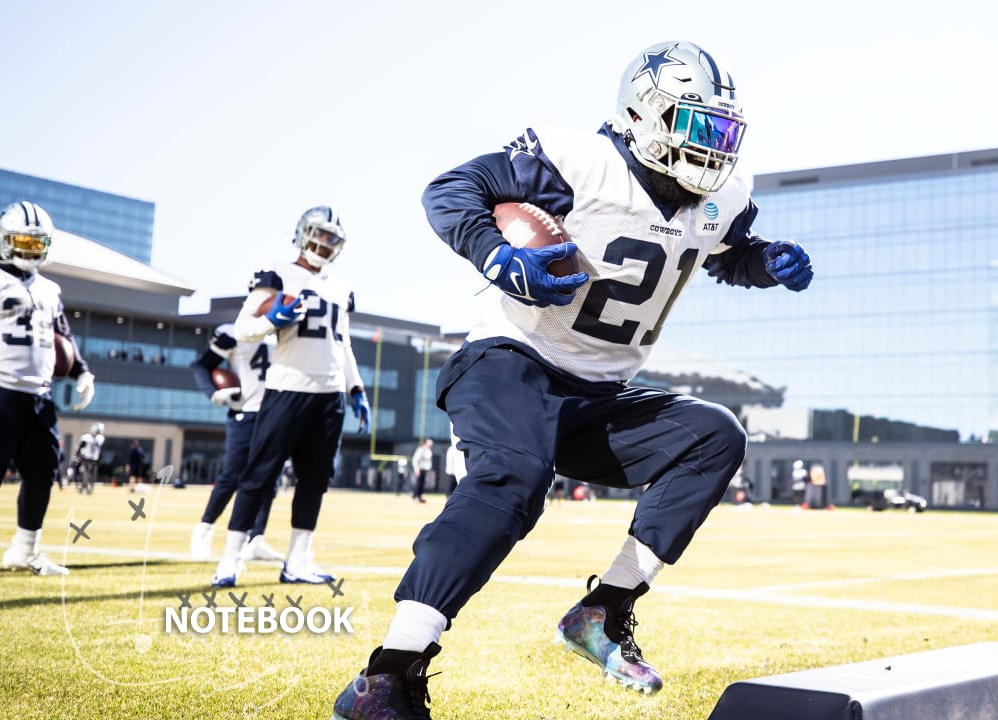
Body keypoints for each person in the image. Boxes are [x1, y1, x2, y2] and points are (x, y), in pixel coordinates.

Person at [330, 40, 813, 719]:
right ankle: (386, 676)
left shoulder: (723, 199)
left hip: (599, 394)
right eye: (698, 126)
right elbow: (451, 189)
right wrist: (497, 256)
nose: (713, 147)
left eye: (723, 130)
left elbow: (727, 255)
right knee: (513, 479)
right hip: (512, 359)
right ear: (645, 114)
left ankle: (602, 612)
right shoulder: (577, 160)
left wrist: (767, 263)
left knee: (713, 436)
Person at [210, 206, 368, 587]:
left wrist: (356, 387)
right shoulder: (277, 274)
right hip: (287, 389)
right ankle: (230, 559)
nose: (324, 243)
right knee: (258, 475)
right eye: (320, 234)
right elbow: (242, 328)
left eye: (332, 239)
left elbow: (342, 343)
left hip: (329, 395)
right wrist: (271, 322)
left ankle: (298, 561)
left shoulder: (340, 287)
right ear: (302, 232)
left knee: (315, 481)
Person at [0, 201, 96, 581]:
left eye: (38, 241)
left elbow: (62, 338)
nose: (31, 248)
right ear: (4, 240)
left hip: (39, 395)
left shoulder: (50, 288)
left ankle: (25, 551)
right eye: (23, 240)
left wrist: (82, 370)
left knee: (43, 475)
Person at [188, 323, 283, 562]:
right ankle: (204, 530)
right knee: (232, 475)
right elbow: (201, 365)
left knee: (270, 480)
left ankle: (256, 540)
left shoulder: (285, 332)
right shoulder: (235, 332)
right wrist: (212, 392)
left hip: (275, 414)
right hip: (246, 413)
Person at [70, 422, 105, 489]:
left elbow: (100, 449)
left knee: (92, 472)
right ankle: (83, 484)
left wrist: (100, 457)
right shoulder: (86, 437)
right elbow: (81, 446)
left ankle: (89, 484)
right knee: (84, 470)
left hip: (94, 457)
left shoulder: (100, 438)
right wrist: (77, 455)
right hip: (86, 456)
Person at [410, 438, 433, 504]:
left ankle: (419, 496)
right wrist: (417, 470)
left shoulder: (428, 450)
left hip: (424, 469)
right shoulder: (420, 450)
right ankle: (415, 496)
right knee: (418, 484)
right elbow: (415, 460)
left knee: (422, 483)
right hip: (419, 469)